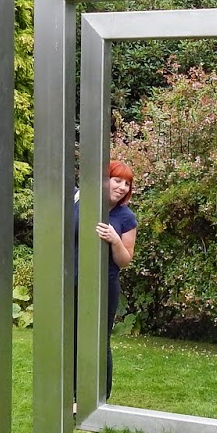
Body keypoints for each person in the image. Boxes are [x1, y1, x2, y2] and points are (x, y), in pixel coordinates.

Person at [75, 160, 138, 402]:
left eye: (127, 184)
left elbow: (125, 260)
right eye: (117, 180)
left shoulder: (126, 218)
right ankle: (73, 395)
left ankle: (99, 397)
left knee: (99, 340)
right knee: (70, 337)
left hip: (103, 287)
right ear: (104, 180)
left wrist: (115, 240)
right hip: (72, 282)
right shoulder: (80, 202)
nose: (122, 187)